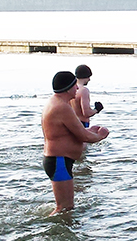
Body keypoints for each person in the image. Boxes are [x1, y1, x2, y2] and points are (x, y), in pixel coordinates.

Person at [41, 70, 110, 214]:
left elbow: (73, 133)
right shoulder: (62, 107)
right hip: (58, 161)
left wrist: (90, 130)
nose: (77, 89)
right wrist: (100, 136)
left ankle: (62, 231)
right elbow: (84, 137)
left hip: (59, 160)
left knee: (67, 207)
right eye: (74, 86)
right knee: (64, 208)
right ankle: (48, 232)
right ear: (67, 88)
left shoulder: (56, 102)